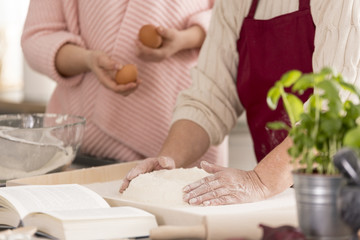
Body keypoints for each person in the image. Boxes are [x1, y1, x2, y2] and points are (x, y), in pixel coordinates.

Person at [120, 0, 360, 205]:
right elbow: (210, 96)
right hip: (283, 197)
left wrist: (261, 180)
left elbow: (334, 105)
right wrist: (169, 160)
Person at [21, 0, 228, 167]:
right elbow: (38, 36)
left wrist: (187, 38)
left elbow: (233, 18)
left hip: (186, 143)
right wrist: (87, 60)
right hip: (81, 149)